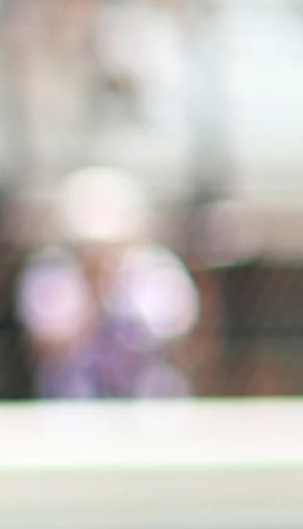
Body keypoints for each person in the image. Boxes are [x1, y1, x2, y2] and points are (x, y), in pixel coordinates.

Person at [18, 165, 197, 398]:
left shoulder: (157, 269)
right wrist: (93, 293)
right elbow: (47, 346)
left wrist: (115, 289)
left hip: (147, 401)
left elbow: (174, 342)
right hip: (75, 403)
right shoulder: (52, 270)